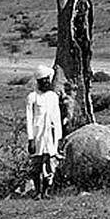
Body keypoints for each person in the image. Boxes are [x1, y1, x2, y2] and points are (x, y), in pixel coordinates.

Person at [26, 65, 63, 198]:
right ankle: (37, 191)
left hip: (51, 136)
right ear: (38, 82)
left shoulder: (53, 96)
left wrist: (59, 138)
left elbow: (57, 118)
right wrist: (31, 139)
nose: (46, 83)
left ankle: (45, 192)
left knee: (50, 164)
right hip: (37, 137)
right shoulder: (32, 97)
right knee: (36, 165)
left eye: (48, 80)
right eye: (43, 81)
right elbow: (29, 119)